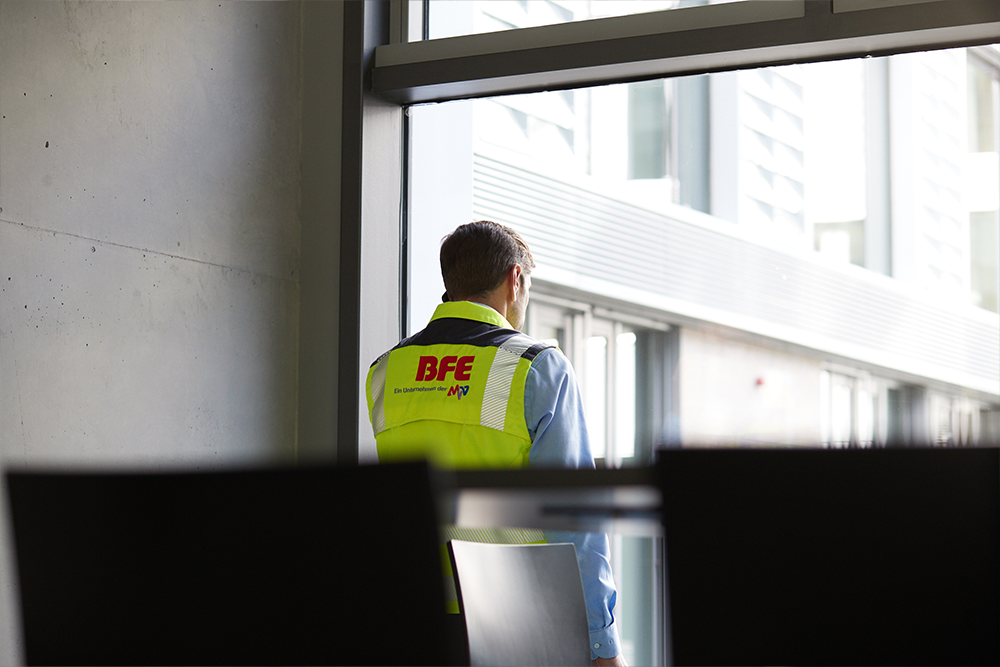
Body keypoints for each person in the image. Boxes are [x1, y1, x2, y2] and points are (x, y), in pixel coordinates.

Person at [365, 220, 626, 666]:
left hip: (415, 620)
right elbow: (574, 517)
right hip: (517, 617)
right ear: (515, 279)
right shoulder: (537, 367)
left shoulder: (386, 370)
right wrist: (600, 642)